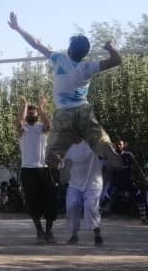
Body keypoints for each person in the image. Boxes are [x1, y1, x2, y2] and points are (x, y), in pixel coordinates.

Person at [8, 12, 125, 170]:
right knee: (98, 136)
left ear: (69, 50)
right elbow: (116, 60)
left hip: (64, 113)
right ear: (84, 54)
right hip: (84, 111)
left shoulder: (59, 59)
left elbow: (36, 44)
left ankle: (55, 156)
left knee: (57, 144)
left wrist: (18, 28)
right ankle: (107, 149)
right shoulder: (87, 67)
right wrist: (111, 48)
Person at [17, 96, 58, 242]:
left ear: (37, 115)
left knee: (51, 200)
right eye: (28, 112)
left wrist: (41, 108)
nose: (30, 114)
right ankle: (39, 232)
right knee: (32, 202)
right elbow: (19, 122)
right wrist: (25, 105)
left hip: (43, 169)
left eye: (32, 112)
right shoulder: (24, 129)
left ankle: (49, 232)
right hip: (28, 170)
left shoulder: (42, 128)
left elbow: (49, 124)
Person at [62, 140, 104, 246]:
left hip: (92, 183)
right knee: (72, 206)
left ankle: (97, 234)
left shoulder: (92, 143)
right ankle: (74, 235)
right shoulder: (68, 147)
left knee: (90, 206)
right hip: (75, 183)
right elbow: (65, 164)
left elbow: (103, 146)